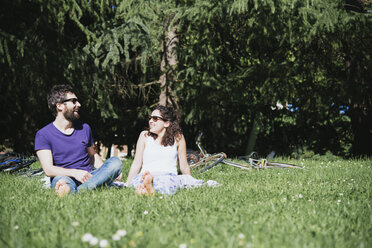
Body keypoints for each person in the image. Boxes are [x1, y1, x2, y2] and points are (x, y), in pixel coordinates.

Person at [34, 85, 122, 197]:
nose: (79, 105)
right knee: (62, 182)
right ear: (59, 106)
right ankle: (87, 188)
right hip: (65, 177)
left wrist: (108, 171)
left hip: (90, 176)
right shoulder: (43, 134)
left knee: (116, 163)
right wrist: (75, 173)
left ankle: (79, 191)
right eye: (74, 101)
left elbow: (93, 156)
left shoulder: (84, 128)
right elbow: (49, 169)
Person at [126, 105, 203, 196]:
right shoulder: (144, 136)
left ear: (166, 123)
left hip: (168, 176)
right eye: (150, 118)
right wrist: (127, 183)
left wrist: (190, 181)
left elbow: (184, 166)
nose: (150, 121)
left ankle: (148, 190)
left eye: (155, 118)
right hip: (146, 175)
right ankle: (148, 187)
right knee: (139, 182)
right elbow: (136, 164)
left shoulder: (178, 137)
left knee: (167, 183)